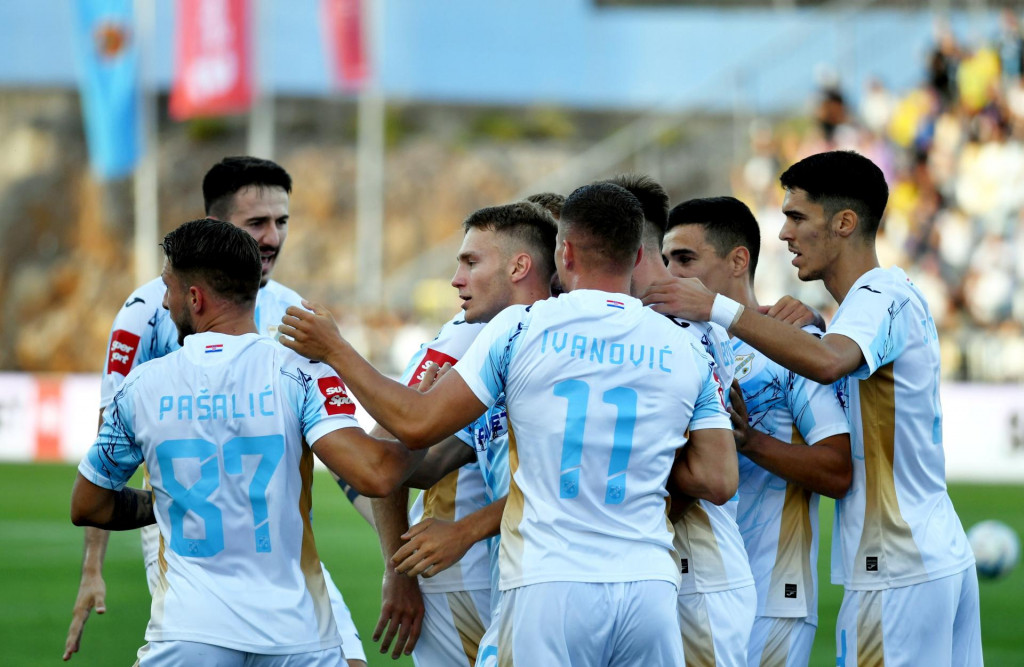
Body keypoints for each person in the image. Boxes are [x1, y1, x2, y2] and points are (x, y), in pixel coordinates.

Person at [281, 182, 736, 666]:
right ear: (639, 254)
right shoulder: (684, 345)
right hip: (650, 584)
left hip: (550, 580)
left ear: (564, 251)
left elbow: (415, 425)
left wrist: (336, 349)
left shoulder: (522, 327)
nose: (459, 278)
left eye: (470, 263)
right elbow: (719, 478)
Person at [642, 151, 981, 667]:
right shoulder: (868, 305)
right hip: (929, 556)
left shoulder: (878, 293)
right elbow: (828, 349)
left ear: (844, 223)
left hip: (896, 562)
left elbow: (826, 362)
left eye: (797, 217)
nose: (783, 234)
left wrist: (716, 308)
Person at [70, 219, 419, 666]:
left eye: (169, 288)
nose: (164, 300)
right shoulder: (300, 370)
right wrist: (425, 424)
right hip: (297, 635)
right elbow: (376, 473)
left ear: (194, 298)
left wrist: (170, 503)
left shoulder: (142, 387)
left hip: (188, 635)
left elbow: (88, 504)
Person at [663, 196, 852, 667]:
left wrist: (750, 442)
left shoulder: (793, 348)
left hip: (773, 593)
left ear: (738, 260)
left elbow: (837, 470)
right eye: (665, 260)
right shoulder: (669, 350)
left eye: (685, 259)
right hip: (687, 589)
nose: (670, 273)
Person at [371, 200, 557, 665]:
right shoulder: (471, 332)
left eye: (470, 262)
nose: (456, 279)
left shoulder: (506, 332)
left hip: (489, 565)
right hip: (466, 567)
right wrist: (400, 568)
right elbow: (389, 448)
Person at [614, 176, 755, 667]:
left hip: (700, 577)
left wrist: (613, 454)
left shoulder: (673, 325)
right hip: (669, 573)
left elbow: (716, 479)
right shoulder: (672, 316)